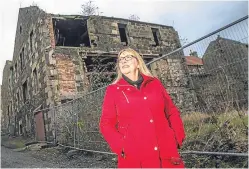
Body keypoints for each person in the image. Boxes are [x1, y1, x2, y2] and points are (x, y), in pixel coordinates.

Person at [99, 48, 186, 168]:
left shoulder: (155, 83)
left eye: (128, 57)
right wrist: (122, 146)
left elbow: (171, 111)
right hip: (135, 156)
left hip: (166, 152)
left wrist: (177, 137)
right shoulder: (113, 90)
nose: (123, 61)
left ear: (138, 63)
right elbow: (106, 123)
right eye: (120, 59)